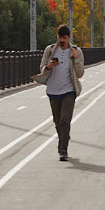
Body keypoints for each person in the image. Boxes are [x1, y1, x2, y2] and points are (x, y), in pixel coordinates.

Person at [39, 24, 84, 161]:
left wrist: (76, 59)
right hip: (53, 91)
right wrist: (49, 66)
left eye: (65, 37)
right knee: (58, 121)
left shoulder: (76, 51)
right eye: (60, 37)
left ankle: (63, 150)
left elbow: (80, 73)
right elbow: (42, 68)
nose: (62, 40)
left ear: (69, 37)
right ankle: (64, 137)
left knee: (65, 120)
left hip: (69, 91)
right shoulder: (50, 50)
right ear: (57, 37)